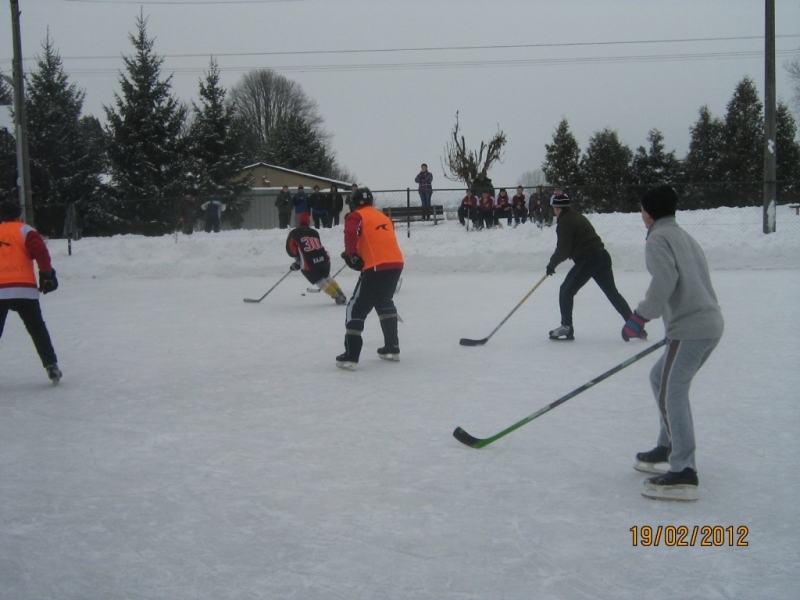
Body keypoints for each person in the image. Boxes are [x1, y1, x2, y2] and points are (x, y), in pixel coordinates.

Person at [626, 185, 724, 502]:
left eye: (642, 209)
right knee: (661, 379)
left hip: (691, 329)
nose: (641, 214)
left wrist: (641, 316)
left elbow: (665, 279)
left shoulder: (657, 238)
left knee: (672, 392)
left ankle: (684, 470)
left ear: (649, 212)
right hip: (707, 324)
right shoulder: (682, 235)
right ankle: (667, 445)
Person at [545, 191, 632, 340]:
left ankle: (566, 327)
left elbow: (563, 249)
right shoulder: (576, 216)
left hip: (588, 259)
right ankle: (634, 325)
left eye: (554, 207)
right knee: (612, 292)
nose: (554, 210)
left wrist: (552, 264)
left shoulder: (565, 222)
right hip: (602, 256)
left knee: (566, 290)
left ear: (558, 208)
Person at [336, 187, 404, 370]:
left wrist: (351, 255)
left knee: (355, 308)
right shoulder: (382, 217)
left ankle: (350, 355)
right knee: (384, 301)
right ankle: (392, 347)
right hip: (396, 263)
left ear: (353, 202)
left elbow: (351, 232)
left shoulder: (356, 215)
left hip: (376, 266)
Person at [0, 201, 62, 384]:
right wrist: (47, 273)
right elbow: (40, 252)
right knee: (37, 329)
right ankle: (51, 365)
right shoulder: (25, 230)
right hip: (24, 289)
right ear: (19, 215)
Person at [286, 212, 347, 305]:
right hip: (324, 259)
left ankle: (337, 297)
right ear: (309, 222)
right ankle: (341, 293)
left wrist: (298, 261)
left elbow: (291, 250)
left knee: (320, 281)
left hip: (310, 264)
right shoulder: (314, 232)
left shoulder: (294, 233)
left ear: (299, 222)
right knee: (327, 277)